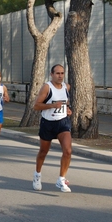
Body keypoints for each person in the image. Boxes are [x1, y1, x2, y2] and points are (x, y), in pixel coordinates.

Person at [32, 64, 72, 193]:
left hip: (62, 123)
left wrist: (67, 109)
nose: (60, 76)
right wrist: (53, 105)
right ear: (52, 74)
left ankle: (61, 179)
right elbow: (36, 106)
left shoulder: (67, 87)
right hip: (48, 123)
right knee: (43, 152)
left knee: (68, 151)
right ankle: (37, 175)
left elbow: (65, 103)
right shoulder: (47, 87)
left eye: (62, 73)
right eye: (57, 73)